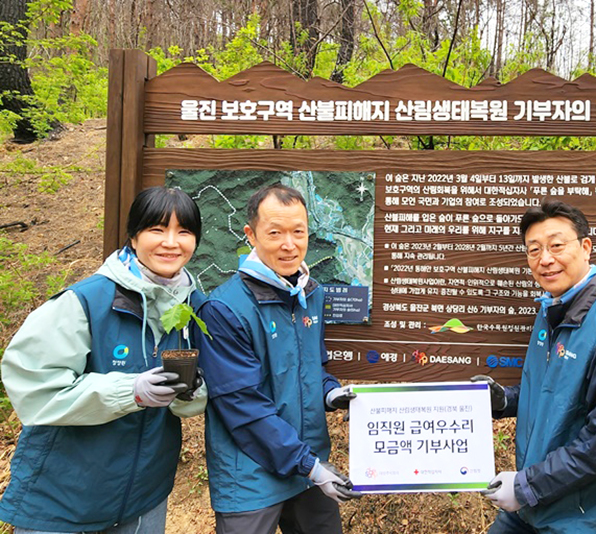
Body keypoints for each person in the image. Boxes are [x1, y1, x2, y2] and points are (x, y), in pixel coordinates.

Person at [0, 186, 207, 533]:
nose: (171, 242)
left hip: (144, 496)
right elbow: (34, 386)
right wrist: (132, 392)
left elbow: (188, 404)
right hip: (63, 498)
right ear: (133, 235)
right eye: (157, 229)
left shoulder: (193, 307)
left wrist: (192, 391)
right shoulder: (86, 301)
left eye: (184, 232)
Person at [474, 198, 596, 533]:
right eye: (534, 249)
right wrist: (504, 400)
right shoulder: (551, 310)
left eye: (557, 245)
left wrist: (528, 485)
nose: (545, 259)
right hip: (533, 504)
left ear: (586, 247)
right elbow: (551, 393)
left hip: (583, 515)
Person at [195, 184, 359, 534]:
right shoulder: (224, 309)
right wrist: (311, 466)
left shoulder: (309, 294)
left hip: (308, 465)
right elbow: (242, 405)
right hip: (251, 473)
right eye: (275, 233)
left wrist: (331, 393)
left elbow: (312, 368)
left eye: (298, 232)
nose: (289, 244)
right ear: (250, 235)